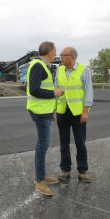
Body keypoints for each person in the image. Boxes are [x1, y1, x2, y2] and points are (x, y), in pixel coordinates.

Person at [27, 41, 64, 196]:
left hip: (44, 111)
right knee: (43, 145)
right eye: (55, 50)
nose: (56, 52)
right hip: (39, 111)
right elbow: (35, 90)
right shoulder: (38, 65)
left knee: (42, 145)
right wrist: (54, 93)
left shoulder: (42, 65)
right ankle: (40, 180)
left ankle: (40, 175)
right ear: (49, 51)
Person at [56, 47, 93, 183]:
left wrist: (85, 112)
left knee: (80, 142)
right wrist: (54, 109)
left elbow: (88, 92)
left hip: (78, 112)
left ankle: (83, 171)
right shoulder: (59, 70)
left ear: (71, 57)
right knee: (63, 142)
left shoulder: (84, 70)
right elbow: (56, 89)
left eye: (63, 55)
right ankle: (65, 170)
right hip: (62, 110)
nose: (60, 57)